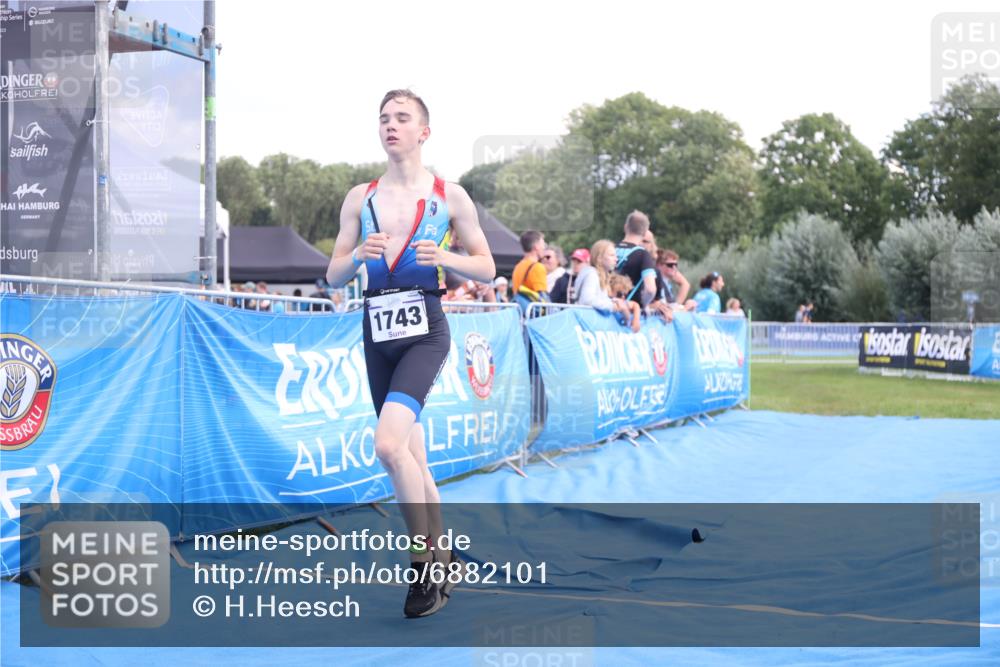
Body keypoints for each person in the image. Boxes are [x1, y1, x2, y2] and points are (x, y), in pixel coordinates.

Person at [325, 89, 494, 618]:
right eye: (384, 118)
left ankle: (422, 563)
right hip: (377, 331)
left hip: (425, 330)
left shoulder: (452, 196)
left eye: (402, 118)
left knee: (388, 446)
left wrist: (444, 254)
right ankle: (444, 557)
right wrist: (356, 256)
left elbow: (488, 267)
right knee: (413, 459)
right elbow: (332, 274)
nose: (390, 125)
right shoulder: (361, 197)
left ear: (424, 132)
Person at [575, 239, 641, 331]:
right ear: (599, 258)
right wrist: (612, 306)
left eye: (616, 255)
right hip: (583, 324)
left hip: (587, 323)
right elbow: (587, 300)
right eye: (612, 255)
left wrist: (616, 302)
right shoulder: (592, 274)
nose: (616, 259)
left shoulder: (600, 275)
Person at [511, 230, 548, 311]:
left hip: (520, 313)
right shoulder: (538, 267)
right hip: (533, 317)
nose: (544, 247)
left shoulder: (518, 266)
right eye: (543, 244)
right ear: (536, 246)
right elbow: (544, 299)